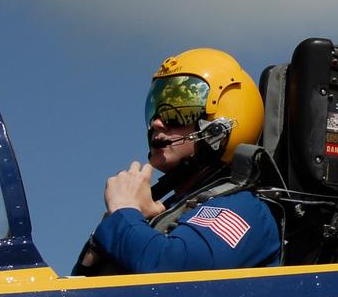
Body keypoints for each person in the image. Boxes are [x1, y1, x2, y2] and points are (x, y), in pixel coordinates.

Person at [78, 48, 280, 274]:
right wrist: (120, 227)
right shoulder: (165, 211)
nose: (157, 123)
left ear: (219, 127)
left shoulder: (243, 209)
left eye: (178, 111)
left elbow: (173, 270)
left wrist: (123, 211)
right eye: (156, 109)